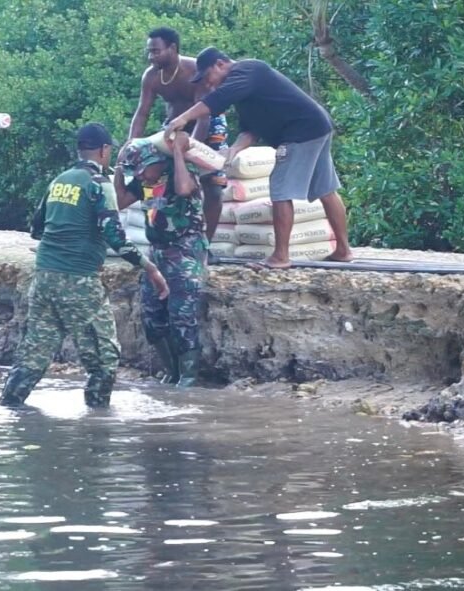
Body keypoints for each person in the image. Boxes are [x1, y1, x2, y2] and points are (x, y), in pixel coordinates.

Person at [0, 123, 169, 409]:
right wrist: (149, 268)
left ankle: (9, 407)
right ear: (104, 150)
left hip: (43, 278)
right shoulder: (98, 184)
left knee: (34, 355)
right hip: (78, 280)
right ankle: (98, 422)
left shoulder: (59, 180)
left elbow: (36, 228)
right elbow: (115, 235)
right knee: (104, 360)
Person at [166, 47, 354, 269]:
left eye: (207, 77)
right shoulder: (244, 94)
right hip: (317, 126)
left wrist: (183, 117)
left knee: (280, 189)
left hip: (301, 132)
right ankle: (343, 250)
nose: (208, 84)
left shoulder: (249, 70)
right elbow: (250, 131)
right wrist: (233, 150)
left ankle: (281, 256)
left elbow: (217, 99)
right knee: (325, 189)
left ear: (220, 64)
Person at [114, 132, 207, 388]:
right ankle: (172, 371)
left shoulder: (181, 172)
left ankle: (188, 378)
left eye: (143, 171)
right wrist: (121, 168)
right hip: (157, 251)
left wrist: (177, 151)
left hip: (185, 249)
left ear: (157, 160)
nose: (141, 177)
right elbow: (121, 201)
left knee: (182, 316)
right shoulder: (145, 181)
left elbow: (184, 189)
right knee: (151, 317)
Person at [127, 27, 228, 241]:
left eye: (156, 51)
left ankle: (205, 245)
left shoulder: (193, 71)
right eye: (149, 51)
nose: (151, 56)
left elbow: (203, 116)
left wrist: (190, 152)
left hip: (207, 123)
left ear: (172, 48)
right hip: (174, 126)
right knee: (166, 180)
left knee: (213, 186)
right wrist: (131, 144)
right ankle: (173, 237)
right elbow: (142, 114)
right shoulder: (151, 76)